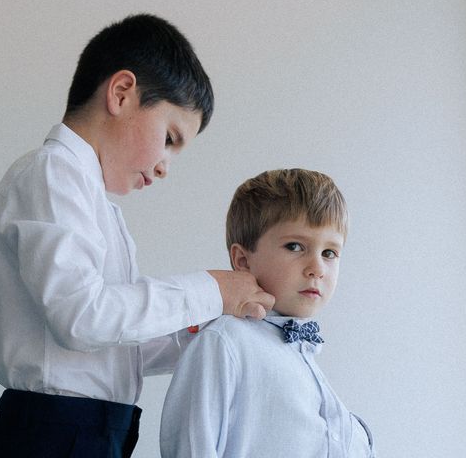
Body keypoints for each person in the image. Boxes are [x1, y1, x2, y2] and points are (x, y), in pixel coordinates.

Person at [0, 13, 274, 458]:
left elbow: (113, 346)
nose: (164, 167)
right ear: (121, 93)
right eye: (170, 138)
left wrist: (207, 327)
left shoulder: (94, 201)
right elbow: (82, 318)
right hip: (53, 437)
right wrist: (212, 289)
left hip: (91, 434)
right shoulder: (53, 173)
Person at [160, 169, 376, 457]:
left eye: (329, 253)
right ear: (243, 260)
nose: (317, 268)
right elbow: (192, 446)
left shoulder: (302, 353)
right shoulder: (225, 342)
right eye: (295, 246)